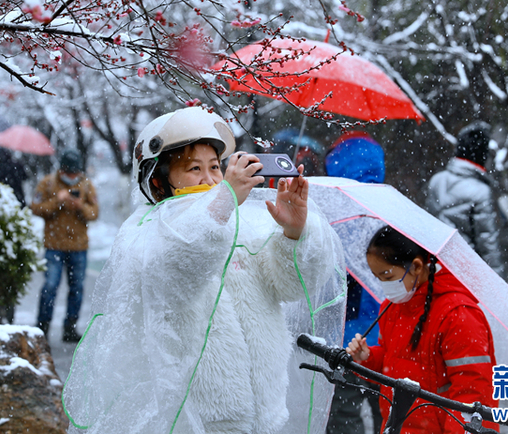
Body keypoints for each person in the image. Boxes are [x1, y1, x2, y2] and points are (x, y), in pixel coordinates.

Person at [62, 106, 344, 434]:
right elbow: (179, 271)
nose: (210, 179)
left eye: (214, 167)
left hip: (263, 415)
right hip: (194, 420)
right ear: (158, 181)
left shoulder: (241, 224)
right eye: (194, 168)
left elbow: (292, 286)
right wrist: (222, 203)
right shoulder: (144, 233)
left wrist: (294, 234)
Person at [346, 225, 499, 433]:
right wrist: (369, 357)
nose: (384, 286)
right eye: (378, 278)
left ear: (417, 266)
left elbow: (473, 394)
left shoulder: (459, 315)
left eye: (388, 277)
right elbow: (395, 362)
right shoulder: (392, 308)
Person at [324, 130, 385, 434]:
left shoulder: (331, 214)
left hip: (345, 340)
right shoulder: (392, 211)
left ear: (337, 164)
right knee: (387, 415)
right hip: (386, 341)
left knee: (343, 416)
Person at [30, 148, 99, 342]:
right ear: (61, 170)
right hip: (54, 245)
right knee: (50, 286)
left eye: (74, 172)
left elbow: (94, 213)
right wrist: (56, 201)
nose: (71, 176)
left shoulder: (86, 186)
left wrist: (81, 206)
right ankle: (42, 326)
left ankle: (70, 327)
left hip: (79, 247)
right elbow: (35, 208)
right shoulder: (48, 183)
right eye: (68, 172)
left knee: (76, 288)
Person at [425, 121, 505, 277]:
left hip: (435, 267)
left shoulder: (436, 180)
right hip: (465, 272)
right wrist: (496, 280)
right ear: (482, 155)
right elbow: (487, 243)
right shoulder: (481, 191)